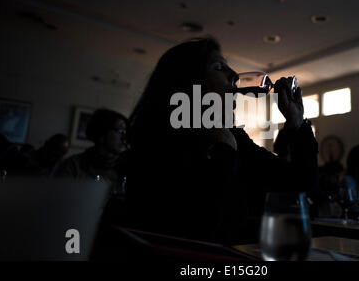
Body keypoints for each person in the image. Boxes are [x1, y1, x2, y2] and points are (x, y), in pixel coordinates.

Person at [125, 37, 318, 245]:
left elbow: (298, 182)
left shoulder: (233, 136)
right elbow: (201, 228)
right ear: (189, 81)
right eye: (218, 67)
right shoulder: (159, 142)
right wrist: (224, 153)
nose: (234, 75)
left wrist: (296, 123)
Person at [54, 109, 128, 193]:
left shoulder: (126, 168)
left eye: (125, 131)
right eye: (120, 130)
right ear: (102, 134)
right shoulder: (73, 166)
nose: (124, 137)